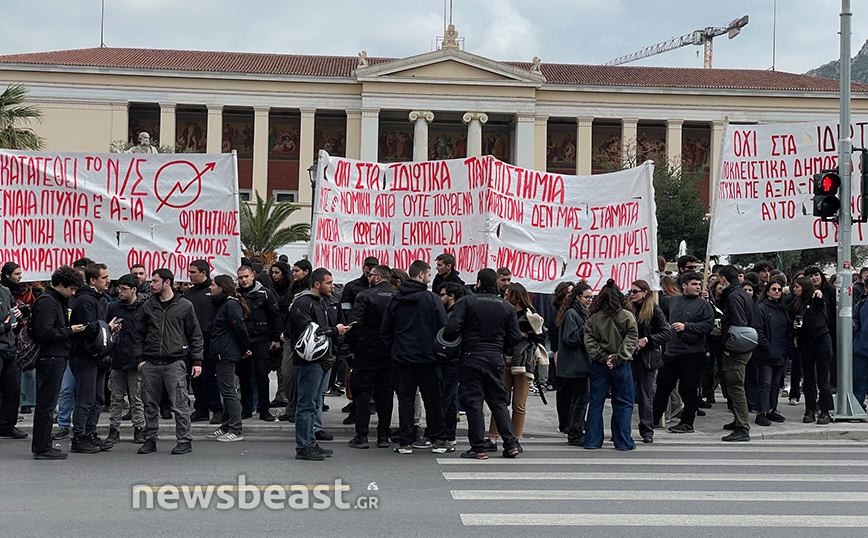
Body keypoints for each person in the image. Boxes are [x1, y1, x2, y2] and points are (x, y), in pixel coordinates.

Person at [444, 268, 523, 459]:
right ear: (495, 283)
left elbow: (452, 330)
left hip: (471, 357)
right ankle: (511, 444)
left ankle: (478, 446)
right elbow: (515, 338)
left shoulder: (466, 302)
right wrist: (499, 346)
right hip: (495, 358)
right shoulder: (506, 307)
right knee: (498, 402)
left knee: (474, 403)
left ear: (478, 283)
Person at [381, 260, 450, 455]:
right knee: (433, 400)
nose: (430, 278)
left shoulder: (396, 299)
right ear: (421, 275)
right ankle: (438, 440)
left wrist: (394, 349)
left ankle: (405, 441)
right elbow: (444, 327)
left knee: (405, 400)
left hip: (402, 358)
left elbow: (385, 329)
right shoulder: (431, 298)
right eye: (429, 275)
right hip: (428, 358)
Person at [134, 269, 204, 455]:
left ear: (167, 282)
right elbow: (138, 334)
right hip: (150, 362)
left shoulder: (185, 306)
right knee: (149, 403)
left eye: (155, 281)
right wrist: (140, 360)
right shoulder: (147, 306)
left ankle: (184, 440)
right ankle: (150, 439)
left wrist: (197, 360)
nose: (151, 284)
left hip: (175, 361)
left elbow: (195, 335)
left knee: (179, 403)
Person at [285, 268, 349, 461]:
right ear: (317, 284)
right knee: (306, 404)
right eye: (329, 283)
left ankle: (310, 442)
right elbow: (309, 332)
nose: (332, 286)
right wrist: (334, 331)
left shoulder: (320, 302)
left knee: (314, 403)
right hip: (309, 360)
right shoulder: (303, 303)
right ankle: (303, 446)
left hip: (323, 359)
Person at [30, 266, 85, 460]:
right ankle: (42, 447)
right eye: (71, 288)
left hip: (55, 356)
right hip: (51, 357)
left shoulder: (54, 300)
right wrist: (70, 331)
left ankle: (43, 445)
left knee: (48, 402)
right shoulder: (48, 302)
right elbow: (44, 332)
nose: (73, 293)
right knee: (47, 403)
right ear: (60, 284)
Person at [652, 272, 714, 436]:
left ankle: (687, 422)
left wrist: (687, 327)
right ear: (684, 285)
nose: (698, 287)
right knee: (663, 387)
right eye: (694, 284)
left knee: (688, 390)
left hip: (693, 354)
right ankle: (654, 418)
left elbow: (708, 325)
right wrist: (654, 277)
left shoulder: (703, 305)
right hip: (671, 353)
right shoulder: (673, 301)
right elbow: (656, 301)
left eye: (699, 284)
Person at [69, 263, 121, 454]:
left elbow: (97, 327)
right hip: (85, 355)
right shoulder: (85, 300)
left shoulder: (98, 299)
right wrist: (105, 328)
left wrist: (107, 328)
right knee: (86, 397)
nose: (108, 281)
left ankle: (89, 433)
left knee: (98, 398)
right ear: (93, 280)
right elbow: (89, 328)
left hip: (97, 355)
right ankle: (79, 436)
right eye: (104, 277)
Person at [583, 280, 639, 451]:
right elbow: (632, 339)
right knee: (623, 402)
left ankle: (592, 440)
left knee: (596, 402)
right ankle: (623, 441)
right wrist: (617, 357)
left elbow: (589, 340)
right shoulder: (627, 316)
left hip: (599, 364)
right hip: (621, 364)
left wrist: (603, 356)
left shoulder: (593, 318)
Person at [488, 283, 545, 447]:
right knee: (499, 401)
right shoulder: (503, 311)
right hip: (504, 359)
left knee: (519, 404)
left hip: (523, 363)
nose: (504, 296)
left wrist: (525, 334)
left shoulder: (530, 314)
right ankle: (493, 437)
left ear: (517, 297)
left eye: (507, 294)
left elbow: (540, 337)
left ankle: (516, 439)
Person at [347, 265, 396, 449]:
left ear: (377, 278)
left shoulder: (365, 296)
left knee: (362, 393)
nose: (368, 277)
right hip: (390, 353)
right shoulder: (397, 297)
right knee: (385, 395)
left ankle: (362, 435)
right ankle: (383, 435)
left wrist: (352, 348)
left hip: (366, 353)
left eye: (370, 275)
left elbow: (355, 323)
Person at [205, 275, 250, 442]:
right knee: (226, 390)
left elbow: (240, 328)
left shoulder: (230, 304)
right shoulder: (222, 304)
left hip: (226, 353)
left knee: (228, 391)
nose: (210, 288)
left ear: (222, 287)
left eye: (213, 285)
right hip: (221, 352)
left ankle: (236, 429)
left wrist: (245, 348)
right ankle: (226, 425)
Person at [627, 279, 672, 443]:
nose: (631, 294)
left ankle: (647, 430)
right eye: (630, 291)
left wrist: (648, 339)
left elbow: (666, 333)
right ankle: (623, 429)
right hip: (629, 356)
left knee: (645, 395)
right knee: (625, 394)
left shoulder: (653, 309)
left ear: (644, 293)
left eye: (635, 291)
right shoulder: (628, 307)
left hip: (646, 358)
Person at [236, 265, 282, 421]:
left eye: (246, 277)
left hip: (261, 339)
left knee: (262, 376)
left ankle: (264, 410)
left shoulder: (265, 294)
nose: (243, 280)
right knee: (244, 377)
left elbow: (275, 316)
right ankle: (247, 409)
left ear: (252, 275)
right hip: (243, 341)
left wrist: (276, 339)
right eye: (240, 277)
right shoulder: (235, 295)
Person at [105, 274, 147, 445]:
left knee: (136, 397)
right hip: (118, 357)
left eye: (124, 289)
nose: (120, 292)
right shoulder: (114, 307)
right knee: (116, 397)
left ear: (134, 290)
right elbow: (106, 330)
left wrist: (143, 357)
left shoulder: (144, 307)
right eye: (119, 289)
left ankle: (139, 428)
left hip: (136, 359)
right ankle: (114, 429)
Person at [718, 265, 757, 442]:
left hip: (736, 348)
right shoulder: (742, 294)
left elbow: (738, 324)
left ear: (724, 279)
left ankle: (742, 427)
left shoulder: (733, 297)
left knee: (735, 387)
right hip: (743, 345)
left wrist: (728, 345)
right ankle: (738, 421)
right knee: (734, 385)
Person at [789, 277, 833, 425]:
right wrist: (795, 332)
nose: (794, 290)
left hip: (821, 340)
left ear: (805, 287)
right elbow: (795, 322)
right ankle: (809, 410)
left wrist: (818, 293)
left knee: (823, 378)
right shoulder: (797, 304)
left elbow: (820, 300)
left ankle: (825, 411)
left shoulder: (815, 300)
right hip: (806, 342)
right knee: (808, 378)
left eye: (797, 287)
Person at [185, 260, 223, 424]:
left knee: (209, 376)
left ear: (204, 273)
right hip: (191, 342)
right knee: (195, 376)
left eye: (193, 272)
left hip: (210, 342)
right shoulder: (188, 294)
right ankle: (200, 409)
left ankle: (216, 409)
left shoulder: (213, 292)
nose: (190, 275)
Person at [555, 281, 593, 446]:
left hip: (579, 363)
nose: (590, 300)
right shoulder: (573, 313)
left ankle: (575, 428)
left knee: (579, 397)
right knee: (581, 397)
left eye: (592, 297)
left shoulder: (580, 312)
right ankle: (575, 431)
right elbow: (570, 338)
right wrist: (588, 331)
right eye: (587, 297)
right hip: (576, 364)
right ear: (578, 297)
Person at [277, 259, 313, 419]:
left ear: (306, 272)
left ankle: (297, 409)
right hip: (291, 338)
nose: (294, 273)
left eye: (297, 270)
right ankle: (292, 406)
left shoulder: (310, 292)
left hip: (306, 340)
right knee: (287, 373)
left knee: (302, 376)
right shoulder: (293, 290)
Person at [753, 279, 789, 426]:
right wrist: (766, 345)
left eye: (779, 290)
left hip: (780, 352)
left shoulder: (782, 309)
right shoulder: (761, 308)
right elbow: (758, 328)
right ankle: (761, 412)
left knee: (775, 384)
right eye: (774, 289)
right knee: (765, 383)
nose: (777, 292)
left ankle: (771, 409)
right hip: (766, 353)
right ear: (767, 291)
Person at [438, 281, 465, 446]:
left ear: (451, 296)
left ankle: (439, 435)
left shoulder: (455, 313)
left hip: (450, 360)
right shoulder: (454, 311)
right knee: (451, 397)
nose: (439, 298)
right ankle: (449, 434)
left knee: (444, 397)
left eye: (442, 295)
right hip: (455, 360)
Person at [0, 267, 24, 440]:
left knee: (13, 389)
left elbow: (11, 313)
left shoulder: (5, 291)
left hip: (9, 346)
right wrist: (6, 326)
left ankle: (7, 425)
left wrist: (17, 313)